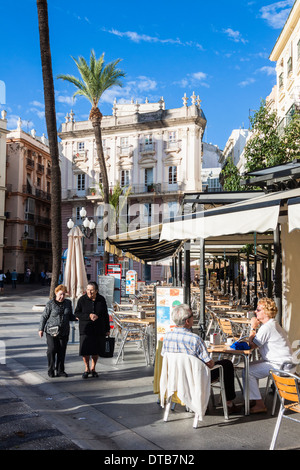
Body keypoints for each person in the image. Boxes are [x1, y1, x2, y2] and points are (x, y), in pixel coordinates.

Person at [161, 303, 240, 414]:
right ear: (187, 321)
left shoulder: (167, 337)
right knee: (226, 364)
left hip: (176, 377)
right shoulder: (195, 339)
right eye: (192, 315)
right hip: (196, 378)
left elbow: (165, 356)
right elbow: (210, 364)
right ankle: (228, 403)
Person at [244, 297, 295, 414]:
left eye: (258, 310)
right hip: (284, 363)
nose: (255, 312)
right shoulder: (272, 325)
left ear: (266, 312)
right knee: (248, 368)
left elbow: (251, 345)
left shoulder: (267, 327)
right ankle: (253, 399)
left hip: (280, 365)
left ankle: (259, 404)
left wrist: (253, 327)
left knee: (248, 371)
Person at [38, 284, 76, 378]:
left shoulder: (68, 303)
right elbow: (44, 316)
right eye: (60, 294)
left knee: (62, 350)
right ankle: (51, 369)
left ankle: (60, 370)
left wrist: (78, 317)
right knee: (51, 349)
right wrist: (41, 329)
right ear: (56, 293)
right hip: (51, 331)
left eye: (64, 294)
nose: (62, 296)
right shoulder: (50, 304)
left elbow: (70, 316)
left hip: (64, 331)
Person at [75, 281, 110, 379]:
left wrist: (107, 328)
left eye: (92, 290)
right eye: (88, 290)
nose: (89, 292)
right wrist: (88, 316)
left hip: (99, 329)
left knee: (96, 350)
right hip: (85, 329)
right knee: (85, 350)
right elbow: (77, 313)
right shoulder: (82, 300)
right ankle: (86, 368)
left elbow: (105, 315)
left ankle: (93, 368)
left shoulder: (101, 299)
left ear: (96, 291)